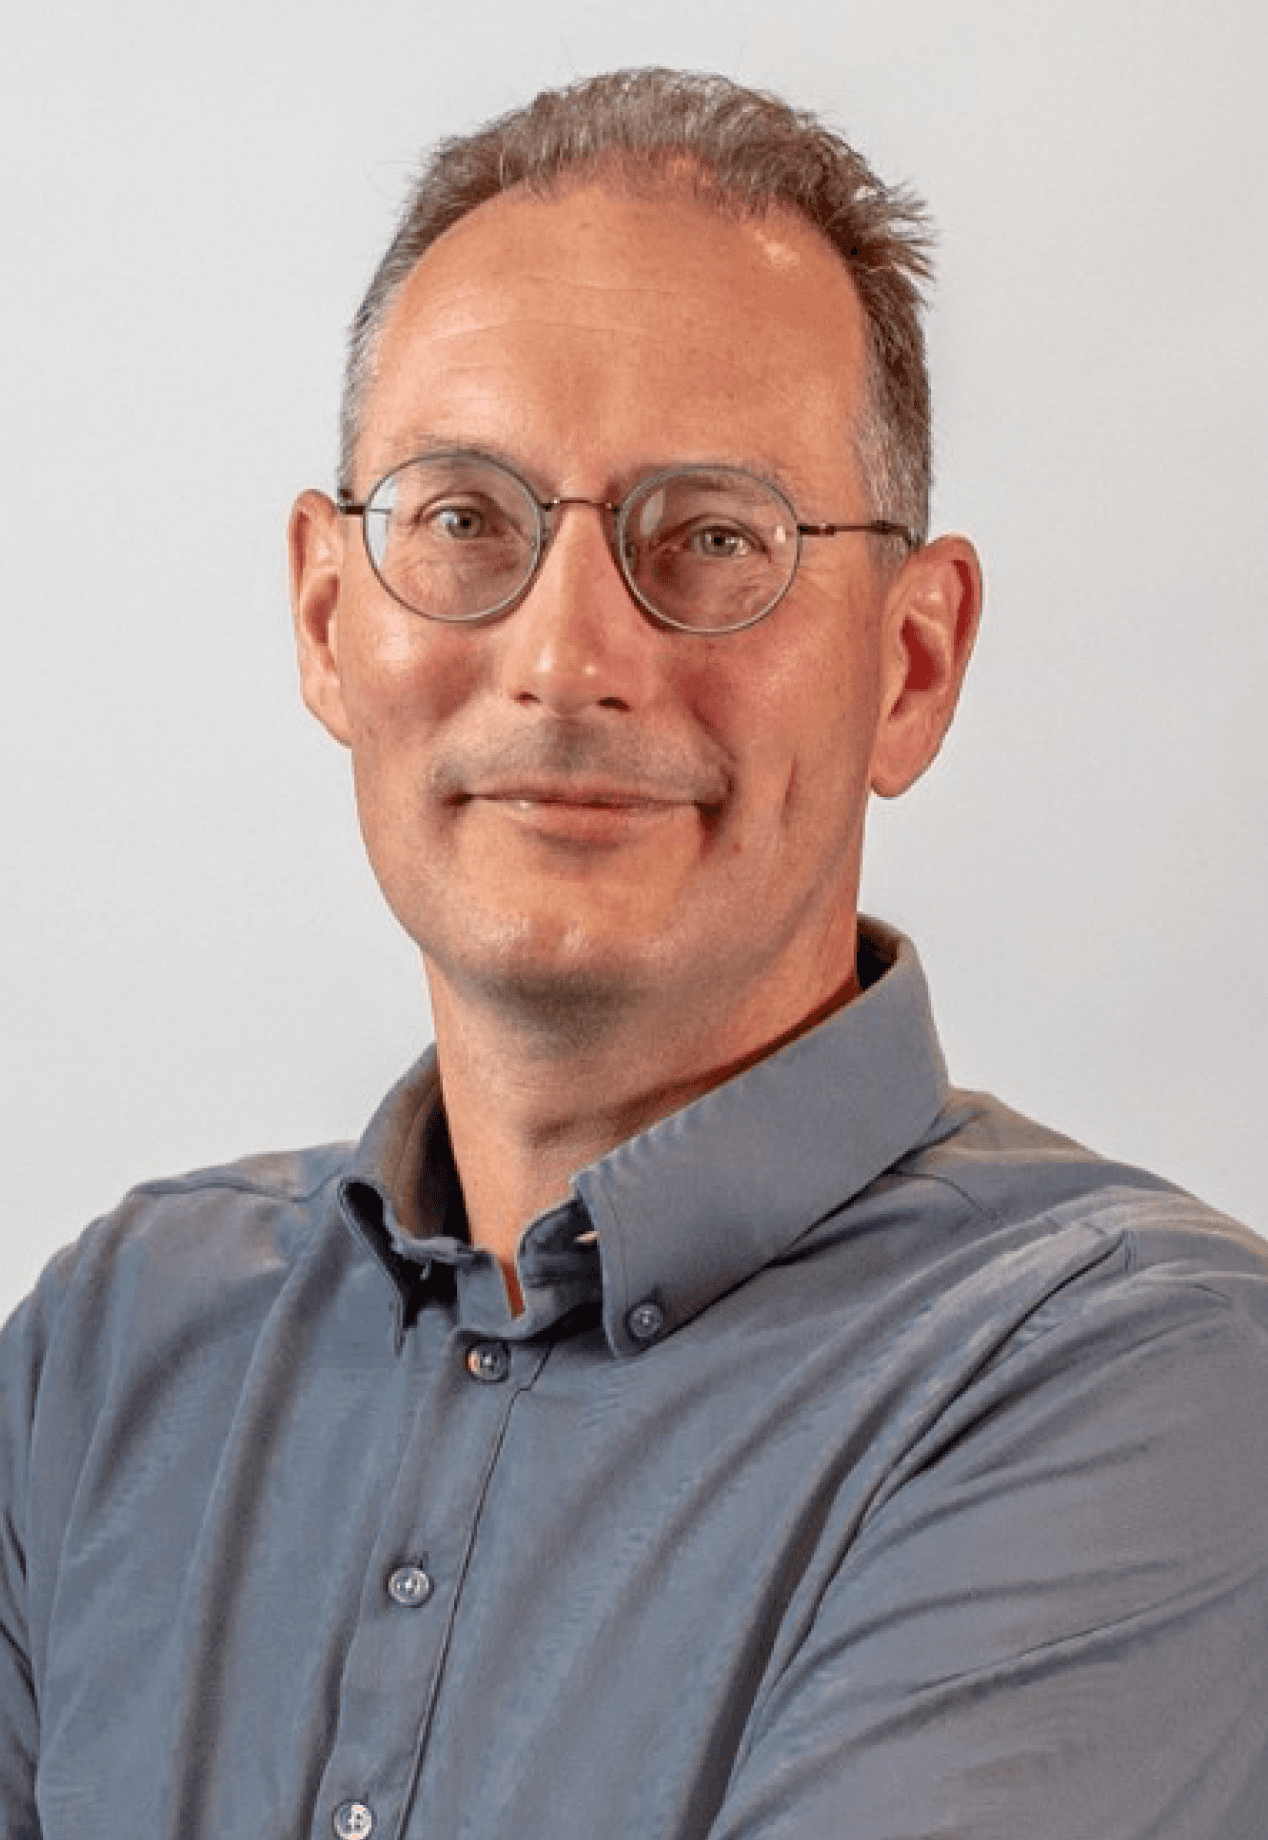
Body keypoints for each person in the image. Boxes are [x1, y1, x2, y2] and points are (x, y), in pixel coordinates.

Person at [1, 66, 1265, 1840]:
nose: (566, 658)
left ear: (912, 666)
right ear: (327, 617)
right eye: (465, 519)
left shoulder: (1141, 1381)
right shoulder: (108, 1348)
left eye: (716, 539)